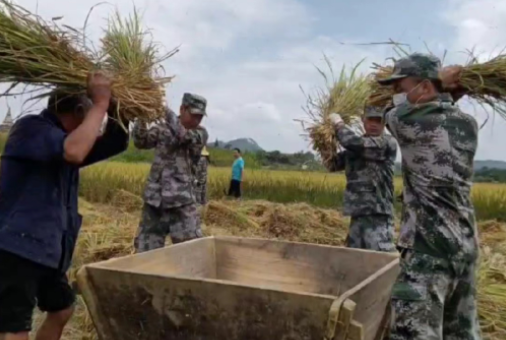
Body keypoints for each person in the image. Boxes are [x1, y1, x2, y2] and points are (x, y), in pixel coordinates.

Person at [0, 71, 129, 340]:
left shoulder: (67, 138)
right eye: (91, 110)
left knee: (61, 310)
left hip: (47, 249)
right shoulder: (31, 129)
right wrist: (102, 104)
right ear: (82, 108)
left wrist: (121, 105)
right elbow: (74, 151)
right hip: (16, 247)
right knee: (15, 328)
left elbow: (116, 142)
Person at [377, 53, 481, 340]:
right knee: (460, 332)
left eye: (400, 87)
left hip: (428, 249)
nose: (397, 95)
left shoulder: (405, 121)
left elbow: (384, 113)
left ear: (423, 87)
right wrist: (444, 90)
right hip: (464, 246)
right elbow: (440, 112)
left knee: (413, 331)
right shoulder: (468, 124)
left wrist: (442, 85)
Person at [132, 92, 209, 253]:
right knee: (146, 253)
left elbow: (182, 136)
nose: (197, 120)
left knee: (191, 252)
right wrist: (142, 116)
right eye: (194, 115)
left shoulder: (199, 134)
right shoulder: (162, 129)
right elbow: (141, 142)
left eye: (200, 117)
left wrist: (165, 111)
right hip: (155, 202)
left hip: (182, 203)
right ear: (182, 109)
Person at [328, 107, 397, 252]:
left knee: (377, 256)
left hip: (378, 214)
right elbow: (332, 164)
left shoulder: (386, 143)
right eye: (370, 119)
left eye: (378, 121)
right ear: (363, 120)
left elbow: (354, 143)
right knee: (355, 257)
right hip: (358, 213)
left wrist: (339, 124)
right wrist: (325, 142)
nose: (374, 124)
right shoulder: (356, 148)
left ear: (384, 124)